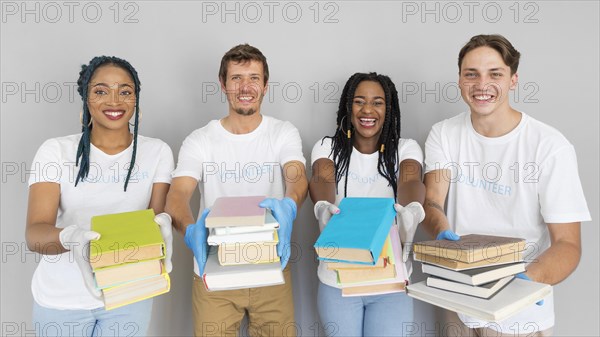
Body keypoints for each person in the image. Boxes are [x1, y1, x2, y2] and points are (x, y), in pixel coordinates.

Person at [421, 34, 591, 336]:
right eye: (471, 74)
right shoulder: (444, 134)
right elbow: (432, 201)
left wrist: (527, 280)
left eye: (495, 74)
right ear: (459, 80)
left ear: (513, 80)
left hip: (518, 313)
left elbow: (568, 244)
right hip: (458, 299)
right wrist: (442, 233)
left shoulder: (550, 146)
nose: (481, 85)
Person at [165, 44, 308, 337]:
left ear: (265, 85)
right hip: (214, 270)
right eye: (236, 78)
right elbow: (177, 195)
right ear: (223, 84)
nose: (246, 87)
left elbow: (297, 176)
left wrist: (290, 204)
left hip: (270, 267)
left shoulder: (283, 132)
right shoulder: (200, 140)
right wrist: (190, 230)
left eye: (254, 78)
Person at [26, 56, 175, 337]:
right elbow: (34, 234)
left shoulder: (158, 153)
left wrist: (165, 228)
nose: (114, 100)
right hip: (62, 299)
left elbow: (154, 223)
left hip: (131, 294)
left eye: (125, 91)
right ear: (86, 99)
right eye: (100, 91)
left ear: (136, 100)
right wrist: (71, 238)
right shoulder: (55, 151)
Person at [309, 72, 426, 337]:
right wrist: (323, 205)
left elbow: (410, 180)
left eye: (378, 102)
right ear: (348, 107)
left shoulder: (406, 148)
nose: (368, 110)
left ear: (389, 109)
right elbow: (321, 177)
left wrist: (413, 207)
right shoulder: (327, 147)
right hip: (337, 282)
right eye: (359, 101)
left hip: (390, 283)